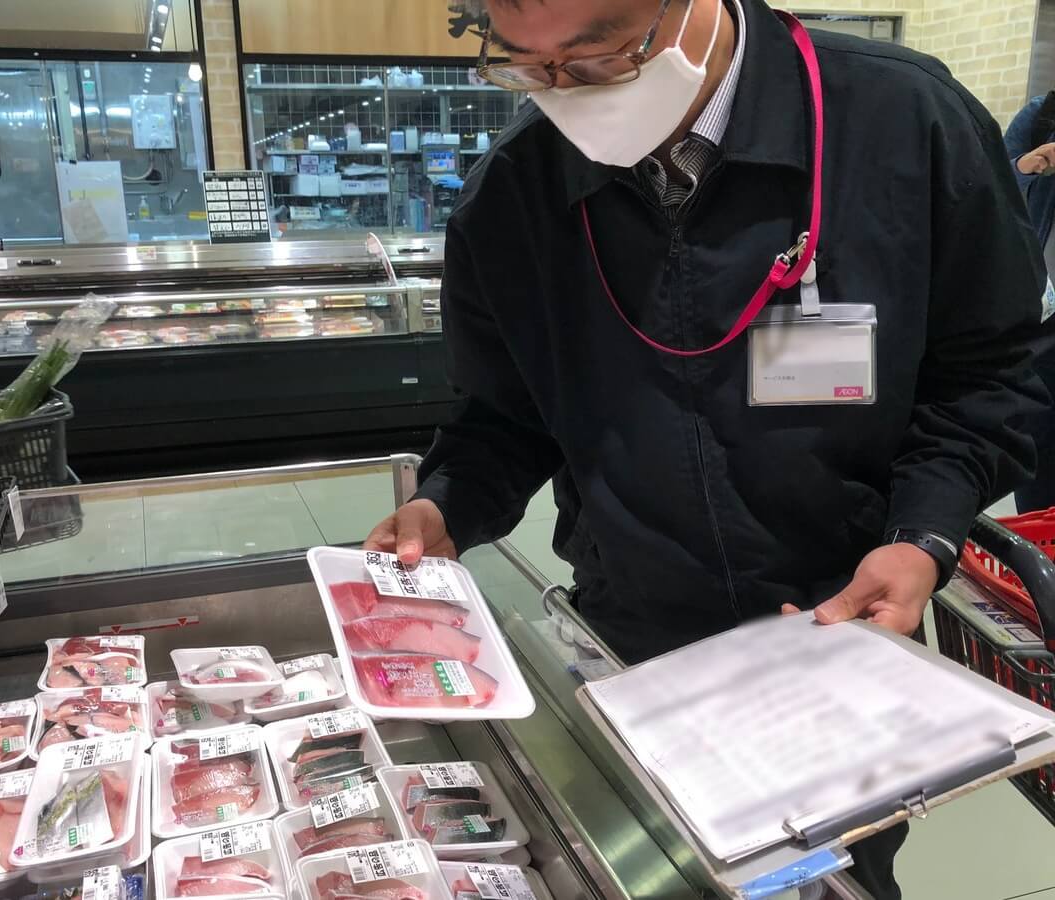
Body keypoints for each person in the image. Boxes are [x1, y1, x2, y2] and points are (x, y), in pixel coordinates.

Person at [365, 1, 1051, 896]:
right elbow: (505, 415)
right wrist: (445, 502)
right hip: (633, 639)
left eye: (601, 55)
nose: (564, 92)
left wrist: (923, 535)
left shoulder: (901, 121)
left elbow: (990, 374)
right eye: (528, 66)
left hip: (842, 624)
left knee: (834, 879)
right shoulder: (514, 192)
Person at [1005, 93, 1055, 512]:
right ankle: (1037, 538)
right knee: (1037, 438)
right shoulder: (1043, 114)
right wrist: (1027, 165)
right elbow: (995, 184)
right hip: (1045, 315)